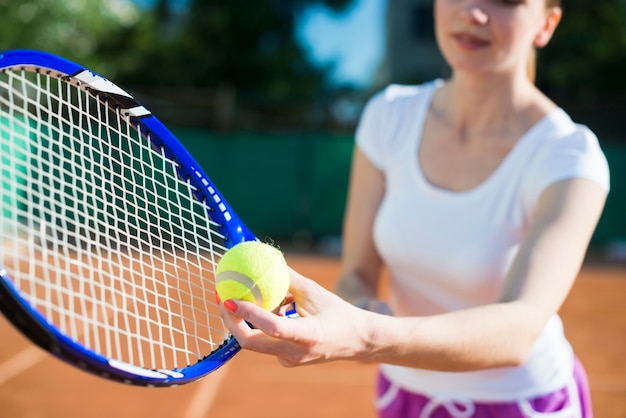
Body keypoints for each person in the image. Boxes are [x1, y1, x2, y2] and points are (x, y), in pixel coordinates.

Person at [218, 0, 610, 416]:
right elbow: (357, 273)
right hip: (403, 394)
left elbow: (520, 329)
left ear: (546, 23)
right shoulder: (388, 117)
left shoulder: (569, 156)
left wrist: (366, 334)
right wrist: (361, 308)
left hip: (522, 404)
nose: (474, 12)